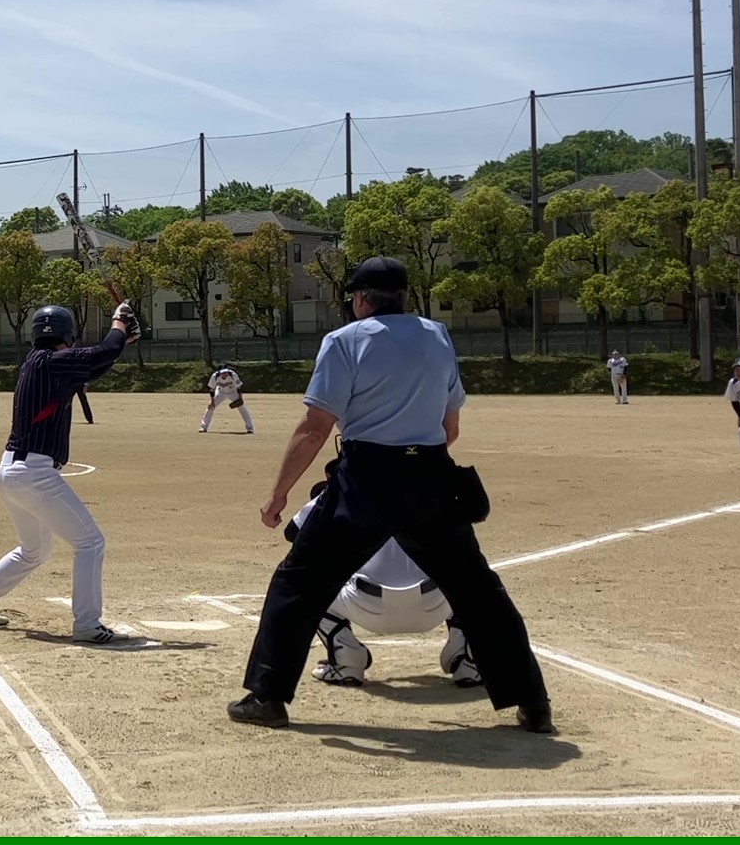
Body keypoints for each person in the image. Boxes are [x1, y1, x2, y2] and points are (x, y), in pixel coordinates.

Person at [227, 256, 552, 733]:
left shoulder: (343, 341)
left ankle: (269, 697)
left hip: (365, 479)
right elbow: (450, 427)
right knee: (479, 592)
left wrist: (278, 495)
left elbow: (315, 429)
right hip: (432, 476)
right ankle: (532, 701)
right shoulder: (436, 335)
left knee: (298, 584)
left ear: (360, 300)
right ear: (403, 297)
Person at [0, 301, 139, 645]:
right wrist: (119, 322)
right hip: (34, 474)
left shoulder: (38, 363)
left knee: (34, 549)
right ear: (67, 333)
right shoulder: (54, 363)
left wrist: (120, 341)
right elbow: (103, 351)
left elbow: (97, 361)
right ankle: (87, 623)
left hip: (11, 471)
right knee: (90, 542)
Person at [287, 490, 479, 688]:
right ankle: (467, 661)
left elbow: (292, 532)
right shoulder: (430, 486)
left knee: (308, 589)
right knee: (471, 581)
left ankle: (347, 661)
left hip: (366, 606)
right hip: (433, 606)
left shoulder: (346, 488)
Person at [201, 363, 253, 434]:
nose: (225, 374)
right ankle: (203, 427)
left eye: (226, 372)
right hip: (220, 392)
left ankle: (250, 428)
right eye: (223, 372)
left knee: (242, 408)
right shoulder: (215, 376)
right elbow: (212, 390)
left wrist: (240, 398)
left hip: (233, 392)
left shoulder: (233, 375)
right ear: (219, 372)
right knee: (210, 408)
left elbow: (239, 387)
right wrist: (212, 401)